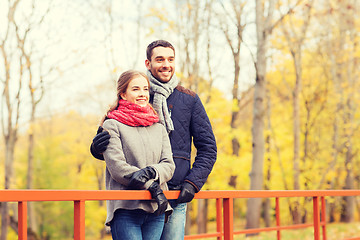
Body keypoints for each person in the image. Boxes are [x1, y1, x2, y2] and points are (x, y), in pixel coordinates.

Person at [91, 40, 217, 240]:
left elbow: (208, 148)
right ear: (148, 63)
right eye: (159, 59)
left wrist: (193, 183)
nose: (166, 64)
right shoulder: (138, 91)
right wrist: (96, 149)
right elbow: (116, 148)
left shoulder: (189, 99)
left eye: (170, 59)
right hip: (136, 194)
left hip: (175, 192)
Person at [100, 70, 175, 240]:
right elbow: (118, 168)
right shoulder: (112, 125)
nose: (142, 94)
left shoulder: (158, 127)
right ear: (123, 94)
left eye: (145, 89)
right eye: (135, 89)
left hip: (156, 207)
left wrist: (151, 172)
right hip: (126, 208)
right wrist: (152, 185)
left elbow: (169, 165)